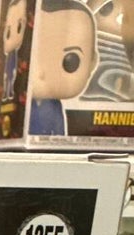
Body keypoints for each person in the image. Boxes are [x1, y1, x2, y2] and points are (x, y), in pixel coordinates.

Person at [29, 0, 97, 135]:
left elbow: (59, 130)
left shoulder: (55, 106)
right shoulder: (25, 107)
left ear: (92, 63)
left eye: (70, 61)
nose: (43, 73)